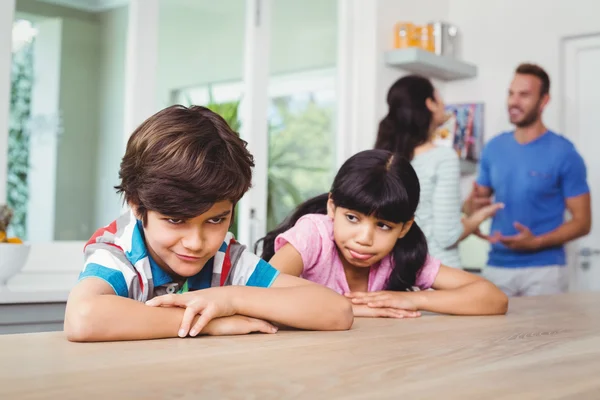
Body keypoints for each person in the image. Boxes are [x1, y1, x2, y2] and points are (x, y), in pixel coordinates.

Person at [64, 105, 353, 342]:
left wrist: (231, 299)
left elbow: (336, 311)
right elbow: (83, 317)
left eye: (216, 219)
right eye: (176, 220)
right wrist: (208, 323)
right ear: (138, 207)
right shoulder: (121, 251)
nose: (197, 242)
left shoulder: (225, 258)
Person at [258, 149, 508, 318]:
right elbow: (262, 292)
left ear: (404, 228)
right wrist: (353, 308)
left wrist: (413, 300)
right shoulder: (314, 234)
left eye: (384, 226)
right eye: (352, 218)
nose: (365, 238)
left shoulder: (403, 255)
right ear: (332, 207)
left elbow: (494, 299)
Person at [463, 63, 591, 296]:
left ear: (544, 100)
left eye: (524, 95)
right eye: (511, 93)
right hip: (496, 267)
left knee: (548, 334)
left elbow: (583, 222)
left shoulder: (565, 153)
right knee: (495, 334)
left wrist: (538, 242)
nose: (514, 102)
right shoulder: (494, 148)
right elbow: (473, 206)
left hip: (545, 270)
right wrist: (473, 204)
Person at [375, 74, 502, 268]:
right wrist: (481, 216)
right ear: (430, 104)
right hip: (436, 274)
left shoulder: (384, 158)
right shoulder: (442, 158)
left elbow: (422, 210)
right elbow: (447, 236)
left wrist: (464, 207)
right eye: (439, 97)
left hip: (396, 272)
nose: (444, 104)